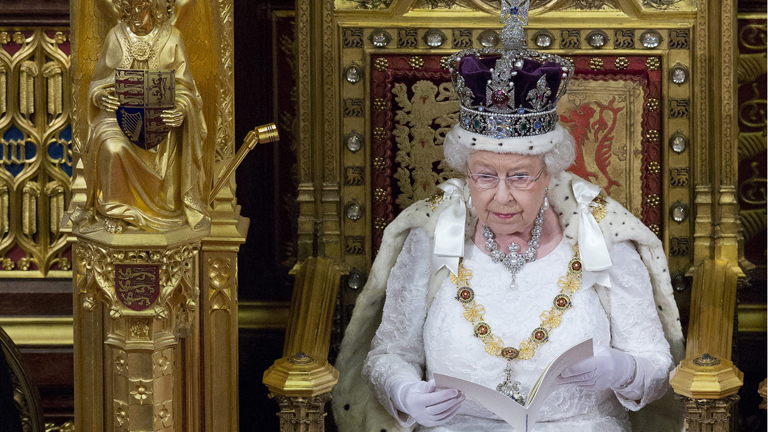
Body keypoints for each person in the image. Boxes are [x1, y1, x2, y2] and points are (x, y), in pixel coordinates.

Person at [332, 3, 684, 431]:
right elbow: (389, 354)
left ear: (549, 173)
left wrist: (623, 370)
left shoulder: (603, 239)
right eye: (484, 176)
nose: (501, 196)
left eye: (519, 177)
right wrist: (406, 394)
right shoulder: (430, 236)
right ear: (467, 171)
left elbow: (655, 363)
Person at [79, 0, 209, 233]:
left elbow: (186, 88)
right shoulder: (116, 36)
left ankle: (167, 206)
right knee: (111, 147)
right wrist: (99, 97)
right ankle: (117, 211)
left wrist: (180, 109)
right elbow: (99, 82)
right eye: (131, 7)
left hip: (162, 122)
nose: (135, 14)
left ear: (155, 7)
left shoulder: (172, 37)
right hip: (119, 118)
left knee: (169, 142)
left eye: (141, 7)